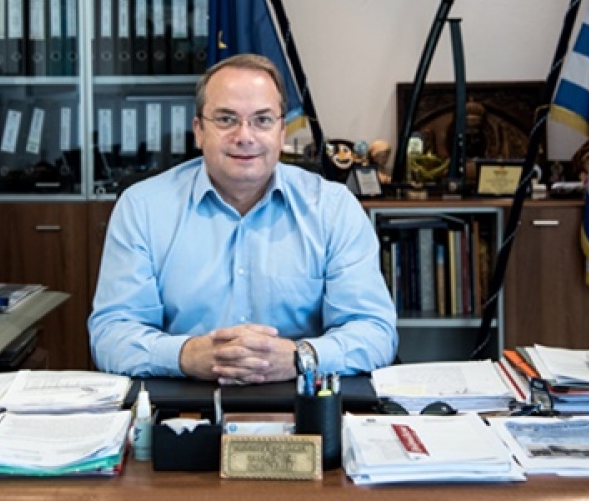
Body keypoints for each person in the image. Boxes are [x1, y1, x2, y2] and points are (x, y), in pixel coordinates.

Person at [88, 54, 398, 384]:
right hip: (182, 399)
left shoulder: (333, 209)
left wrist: (300, 357)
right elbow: (111, 334)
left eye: (262, 120)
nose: (244, 136)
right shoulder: (142, 208)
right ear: (199, 131)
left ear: (282, 132)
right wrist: (187, 355)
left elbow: (375, 332)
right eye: (226, 119)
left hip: (302, 396)